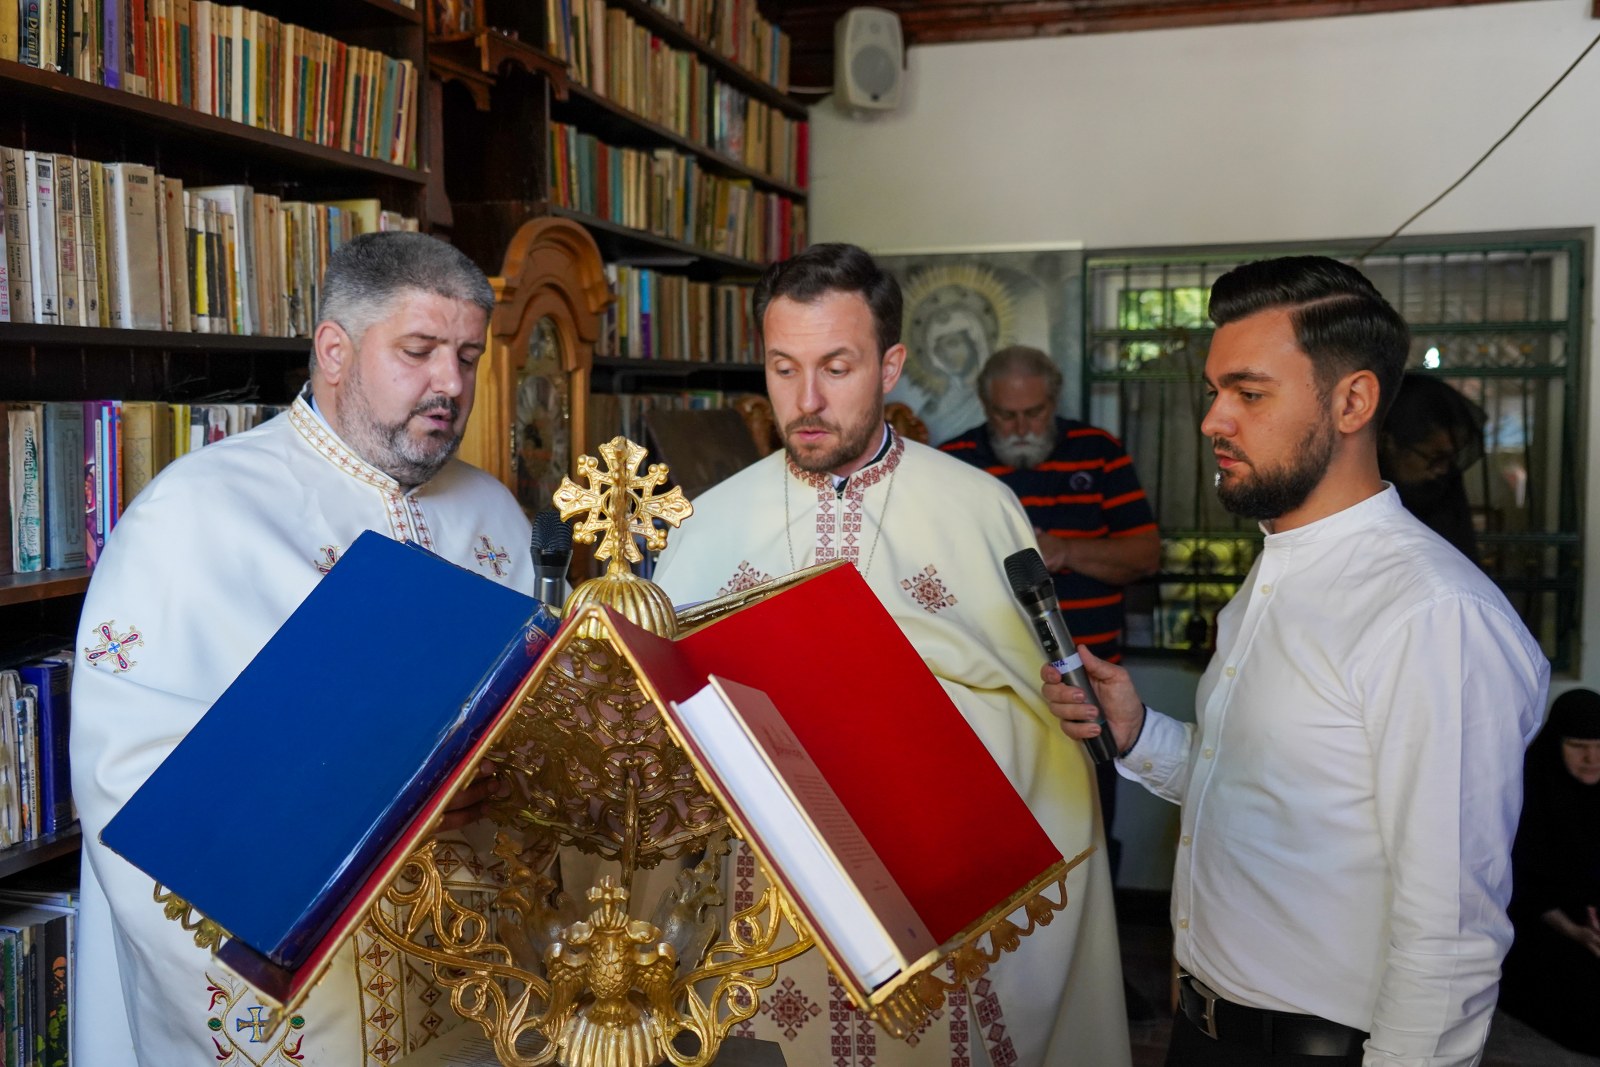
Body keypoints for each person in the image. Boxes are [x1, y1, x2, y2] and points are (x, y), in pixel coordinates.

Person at [1045, 256, 1548, 1066]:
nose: (1213, 420)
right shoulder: (1275, 572)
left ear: (1353, 402)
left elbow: (1450, 933)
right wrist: (1138, 734)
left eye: (1249, 393)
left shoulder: (1432, 613)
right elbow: (1263, 794)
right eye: (1214, 391)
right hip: (1206, 1034)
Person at [653, 243, 1132, 1067]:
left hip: (936, 897)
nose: (806, 400)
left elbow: (1048, 727)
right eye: (783, 368)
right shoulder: (707, 523)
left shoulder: (979, 508)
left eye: (836, 368)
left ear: (891, 365)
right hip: (772, 910)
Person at [71, 232, 534, 1067]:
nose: (451, 384)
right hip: (318, 998)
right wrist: (377, 798)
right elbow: (130, 784)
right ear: (334, 350)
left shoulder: (493, 512)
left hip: (474, 982)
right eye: (419, 351)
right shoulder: (195, 514)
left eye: (468, 357)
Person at [941, 345, 1160, 874]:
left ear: (1054, 401)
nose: (1020, 428)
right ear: (984, 405)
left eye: (1034, 412)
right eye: (1005, 415)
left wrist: (1063, 551)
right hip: (990, 694)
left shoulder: (1099, 452)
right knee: (994, 842)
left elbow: (1145, 556)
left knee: (1088, 835)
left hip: (1089, 687)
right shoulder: (952, 462)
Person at [1498, 688, 1600, 1055]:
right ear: (1557, 743)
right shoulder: (1527, 790)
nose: (1591, 759)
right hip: (1543, 923)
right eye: (1577, 746)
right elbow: (1521, 884)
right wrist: (1576, 931)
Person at [1378, 372, 1486, 559]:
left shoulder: (1444, 491)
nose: (1443, 470)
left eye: (1450, 458)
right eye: (1435, 457)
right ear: (1389, 443)